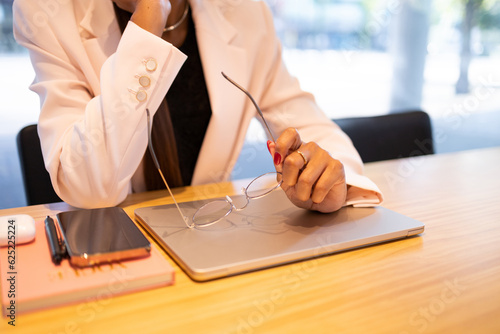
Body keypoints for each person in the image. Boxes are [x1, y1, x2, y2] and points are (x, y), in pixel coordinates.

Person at [13, 0, 383, 211]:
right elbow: (91, 188)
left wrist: (328, 179)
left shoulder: (243, 10)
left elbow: (305, 122)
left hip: (209, 240)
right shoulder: (46, 10)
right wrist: (146, 30)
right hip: (117, 254)